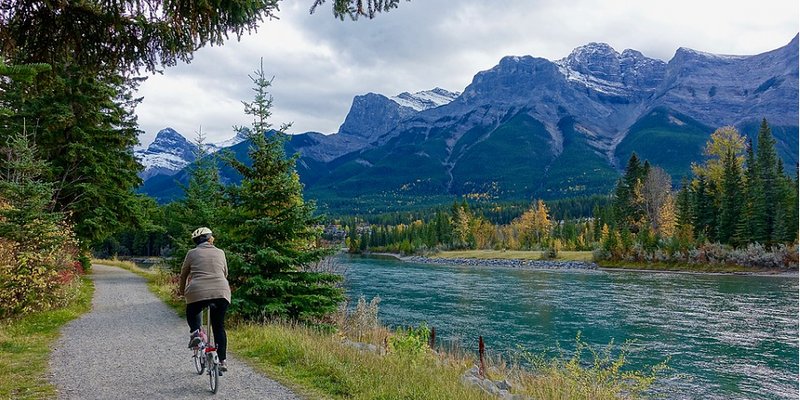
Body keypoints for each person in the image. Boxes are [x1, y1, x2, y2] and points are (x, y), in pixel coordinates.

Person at [178, 227, 231, 371]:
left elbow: (184, 275)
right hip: (221, 292)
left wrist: (182, 292)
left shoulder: (191, 253)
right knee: (219, 327)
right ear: (209, 239)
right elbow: (225, 273)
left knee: (192, 310)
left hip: (197, 292)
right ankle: (222, 361)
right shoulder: (220, 252)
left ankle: (195, 333)